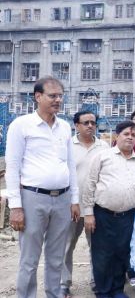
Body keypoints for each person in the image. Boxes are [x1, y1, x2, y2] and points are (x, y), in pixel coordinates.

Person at [6, 76, 80, 298]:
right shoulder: (21, 125)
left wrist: (74, 199)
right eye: (52, 96)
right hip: (32, 198)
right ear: (38, 97)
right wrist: (16, 207)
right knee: (29, 259)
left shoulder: (64, 127)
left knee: (56, 257)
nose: (58, 100)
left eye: (60, 96)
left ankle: (54, 294)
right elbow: (12, 167)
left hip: (62, 199)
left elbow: (70, 166)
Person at [83, 121, 135, 298]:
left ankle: (116, 289)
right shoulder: (103, 157)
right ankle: (103, 291)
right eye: (126, 134)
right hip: (103, 214)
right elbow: (89, 185)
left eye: (133, 134)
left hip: (128, 217)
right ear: (117, 136)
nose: (130, 137)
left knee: (122, 253)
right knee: (102, 255)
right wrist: (89, 213)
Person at [61, 111, 109, 297]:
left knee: (97, 248)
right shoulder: (67, 147)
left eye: (93, 123)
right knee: (66, 246)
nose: (90, 126)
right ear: (76, 126)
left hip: (96, 208)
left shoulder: (104, 147)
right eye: (86, 122)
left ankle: (96, 282)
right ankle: (63, 284)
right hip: (71, 206)